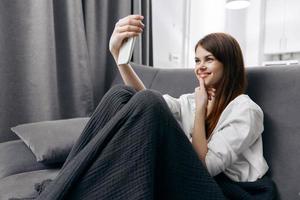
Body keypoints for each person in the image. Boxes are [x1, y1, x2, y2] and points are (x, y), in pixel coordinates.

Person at [19, 15, 275, 200]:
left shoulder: (245, 110)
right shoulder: (192, 99)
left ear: (228, 64)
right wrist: (120, 60)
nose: (200, 66)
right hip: (188, 180)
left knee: (148, 100)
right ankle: (61, 187)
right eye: (197, 59)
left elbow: (206, 168)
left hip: (222, 191)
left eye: (209, 59)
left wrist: (199, 111)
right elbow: (144, 106)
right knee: (121, 94)